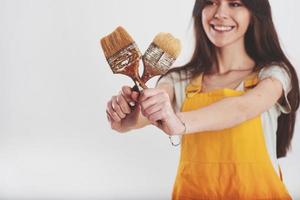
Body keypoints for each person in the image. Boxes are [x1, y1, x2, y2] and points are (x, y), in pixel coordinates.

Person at [106, 0, 299, 199]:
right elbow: (152, 112)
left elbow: (243, 108)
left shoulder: (273, 74)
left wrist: (179, 122)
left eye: (234, 4)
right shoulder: (179, 80)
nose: (220, 13)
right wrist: (127, 120)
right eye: (211, 2)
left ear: (254, 13)